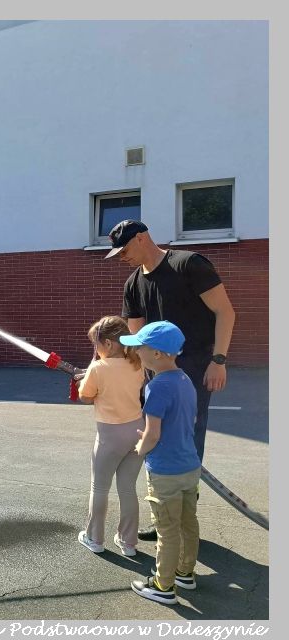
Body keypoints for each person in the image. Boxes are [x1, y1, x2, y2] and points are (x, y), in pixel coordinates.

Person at [105, 220, 235, 540]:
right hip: (156, 376)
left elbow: (225, 312)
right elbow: (135, 336)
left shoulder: (189, 265)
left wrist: (218, 360)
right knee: (158, 439)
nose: (122, 258)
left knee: (188, 439)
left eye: (125, 250)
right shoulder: (133, 284)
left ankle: (184, 514)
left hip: (195, 371)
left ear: (141, 238)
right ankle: (166, 515)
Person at [121, 321, 201, 605]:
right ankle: (185, 573)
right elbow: (188, 420)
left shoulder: (157, 386)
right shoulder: (185, 380)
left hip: (165, 471)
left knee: (167, 530)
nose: (136, 352)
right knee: (188, 523)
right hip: (190, 466)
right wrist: (153, 436)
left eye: (140, 347)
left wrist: (139, 448)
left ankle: (163, 586)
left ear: (156, 353)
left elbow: (153, 434)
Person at [75, 316, 147, 557]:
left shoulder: (98, 368)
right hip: (137, 431)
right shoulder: (137, 363)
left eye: (96, 344)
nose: (95, 350)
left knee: (99, 488)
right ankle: (128, 542)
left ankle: (94, 538)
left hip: (110, 435)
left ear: (108, 343)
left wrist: (85, 381)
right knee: (127, 488)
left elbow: (86, 396)